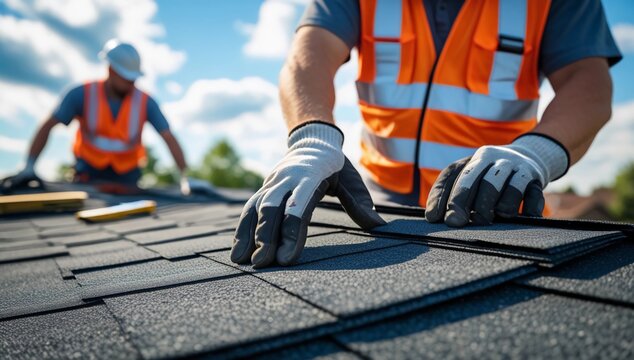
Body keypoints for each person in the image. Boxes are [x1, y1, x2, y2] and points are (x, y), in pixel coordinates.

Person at [231, 0, 622, 268]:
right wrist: (312, 139)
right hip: (378, 209)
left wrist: (536, 153)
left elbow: (588, 85)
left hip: (498, 211)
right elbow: (308, 54)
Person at [12, 39, 191, 194]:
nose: (131, 84)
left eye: (133, 80)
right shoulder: (81, 94)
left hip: (128, 178)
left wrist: (185, 177)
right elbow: (48, 125)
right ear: (111, 70)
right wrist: (29, 166)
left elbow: (168, 137)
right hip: (88, 174)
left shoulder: (145, 102)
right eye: (126, 79)